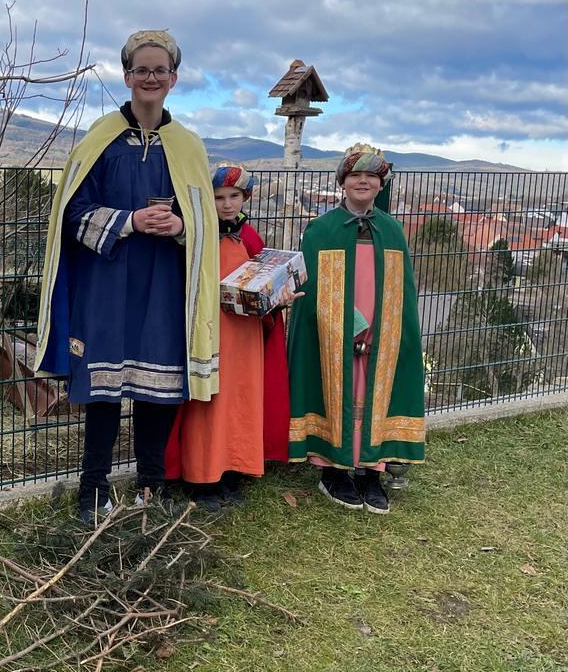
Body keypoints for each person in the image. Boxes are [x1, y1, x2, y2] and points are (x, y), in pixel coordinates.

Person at [34, 29, 220, 522]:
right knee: (103, 392)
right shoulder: (101, 139)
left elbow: (204, 222)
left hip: (163, 287)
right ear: (127, 76)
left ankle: (151, 488)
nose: (150, 78)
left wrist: (182, 226)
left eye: (160, 70)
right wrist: (130, 221)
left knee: (158, 390)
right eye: (142, 69)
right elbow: (72, 215)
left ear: (173, 78)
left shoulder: (188, 147)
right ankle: (92, 489)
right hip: (107, 284)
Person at [288, 143, 426, 514]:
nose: (363, 181)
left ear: (381, 184)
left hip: (380, 333)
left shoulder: (393, 231)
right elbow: (313, 290)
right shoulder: (321, 230)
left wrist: (385, 332)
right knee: (338, 392)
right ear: (342, 182)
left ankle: (370, 473)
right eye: (355, 175)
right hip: (333, 334)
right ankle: (333, 472)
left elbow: (402, 293)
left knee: (371, 395)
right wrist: (341, 327)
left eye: (371, 176)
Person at [164, 164, 298, 510]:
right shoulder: (196, 236)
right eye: (219, 197)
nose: (227, 204)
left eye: (234, 196)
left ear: (245, 197)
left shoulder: (250, 238)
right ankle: (202, 476)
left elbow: (265, 286)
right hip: (207, 334)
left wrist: (279, 297)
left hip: (246, 336)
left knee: (240, 399)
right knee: (207, 403)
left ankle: (233, 469)